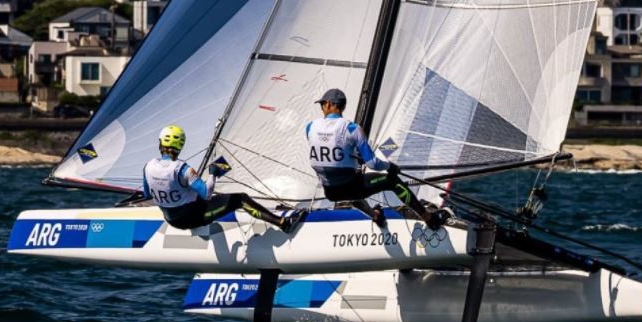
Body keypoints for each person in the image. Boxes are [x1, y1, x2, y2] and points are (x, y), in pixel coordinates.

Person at [305, 89, 446, 230]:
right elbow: (372, 163)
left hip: (330, 192)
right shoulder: (352, 129)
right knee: (391, 181)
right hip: (351, 187)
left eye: (322, 104)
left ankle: (375, 216)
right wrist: (390, 166)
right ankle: (430, 219)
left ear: (329, 104)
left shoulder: (310, 127)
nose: (322, 108)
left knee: (353, 187)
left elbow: (325, 150)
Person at [144, 125, 306, 232]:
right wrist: (214, 173)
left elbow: (148, 195)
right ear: (181, 146)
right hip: (192, 219)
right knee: (240, 199)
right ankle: (283, 224)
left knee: (199, 198)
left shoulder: (148, 167)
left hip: (171, 219)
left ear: (160, 144)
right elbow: (206, 194)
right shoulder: (184, 170)